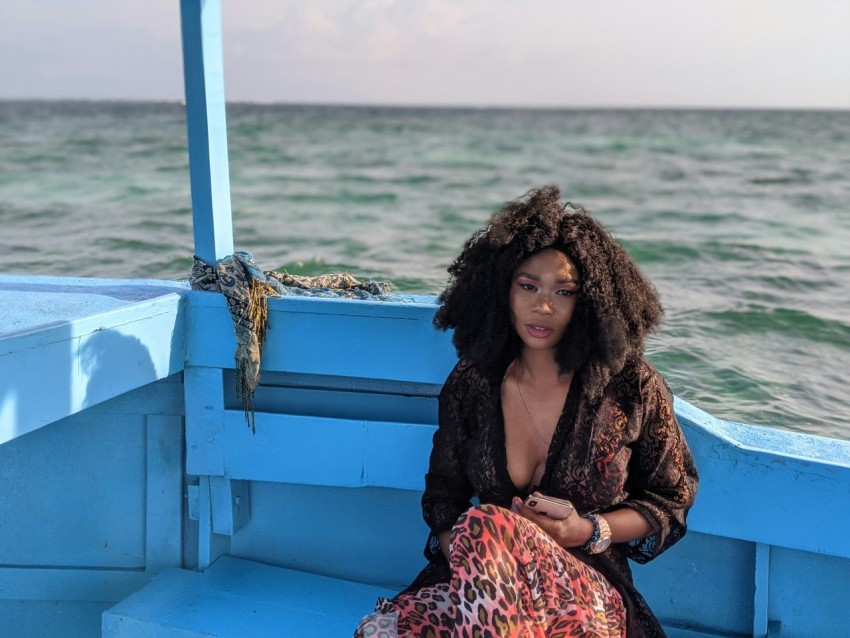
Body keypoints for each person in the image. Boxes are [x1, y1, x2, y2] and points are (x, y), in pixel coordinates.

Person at [355, 186, 699, 637]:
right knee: (387, 628)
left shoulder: (629, 386)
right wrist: (473, 570)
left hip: (581, 587)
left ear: (590, 301)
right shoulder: (474, 383)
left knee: (487, 523)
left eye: (565, 291)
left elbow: (670, 498)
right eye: (528, 286)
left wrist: (585, 529)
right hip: (484, 586)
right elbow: (444, 497)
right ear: (502, 291)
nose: (543, 305)